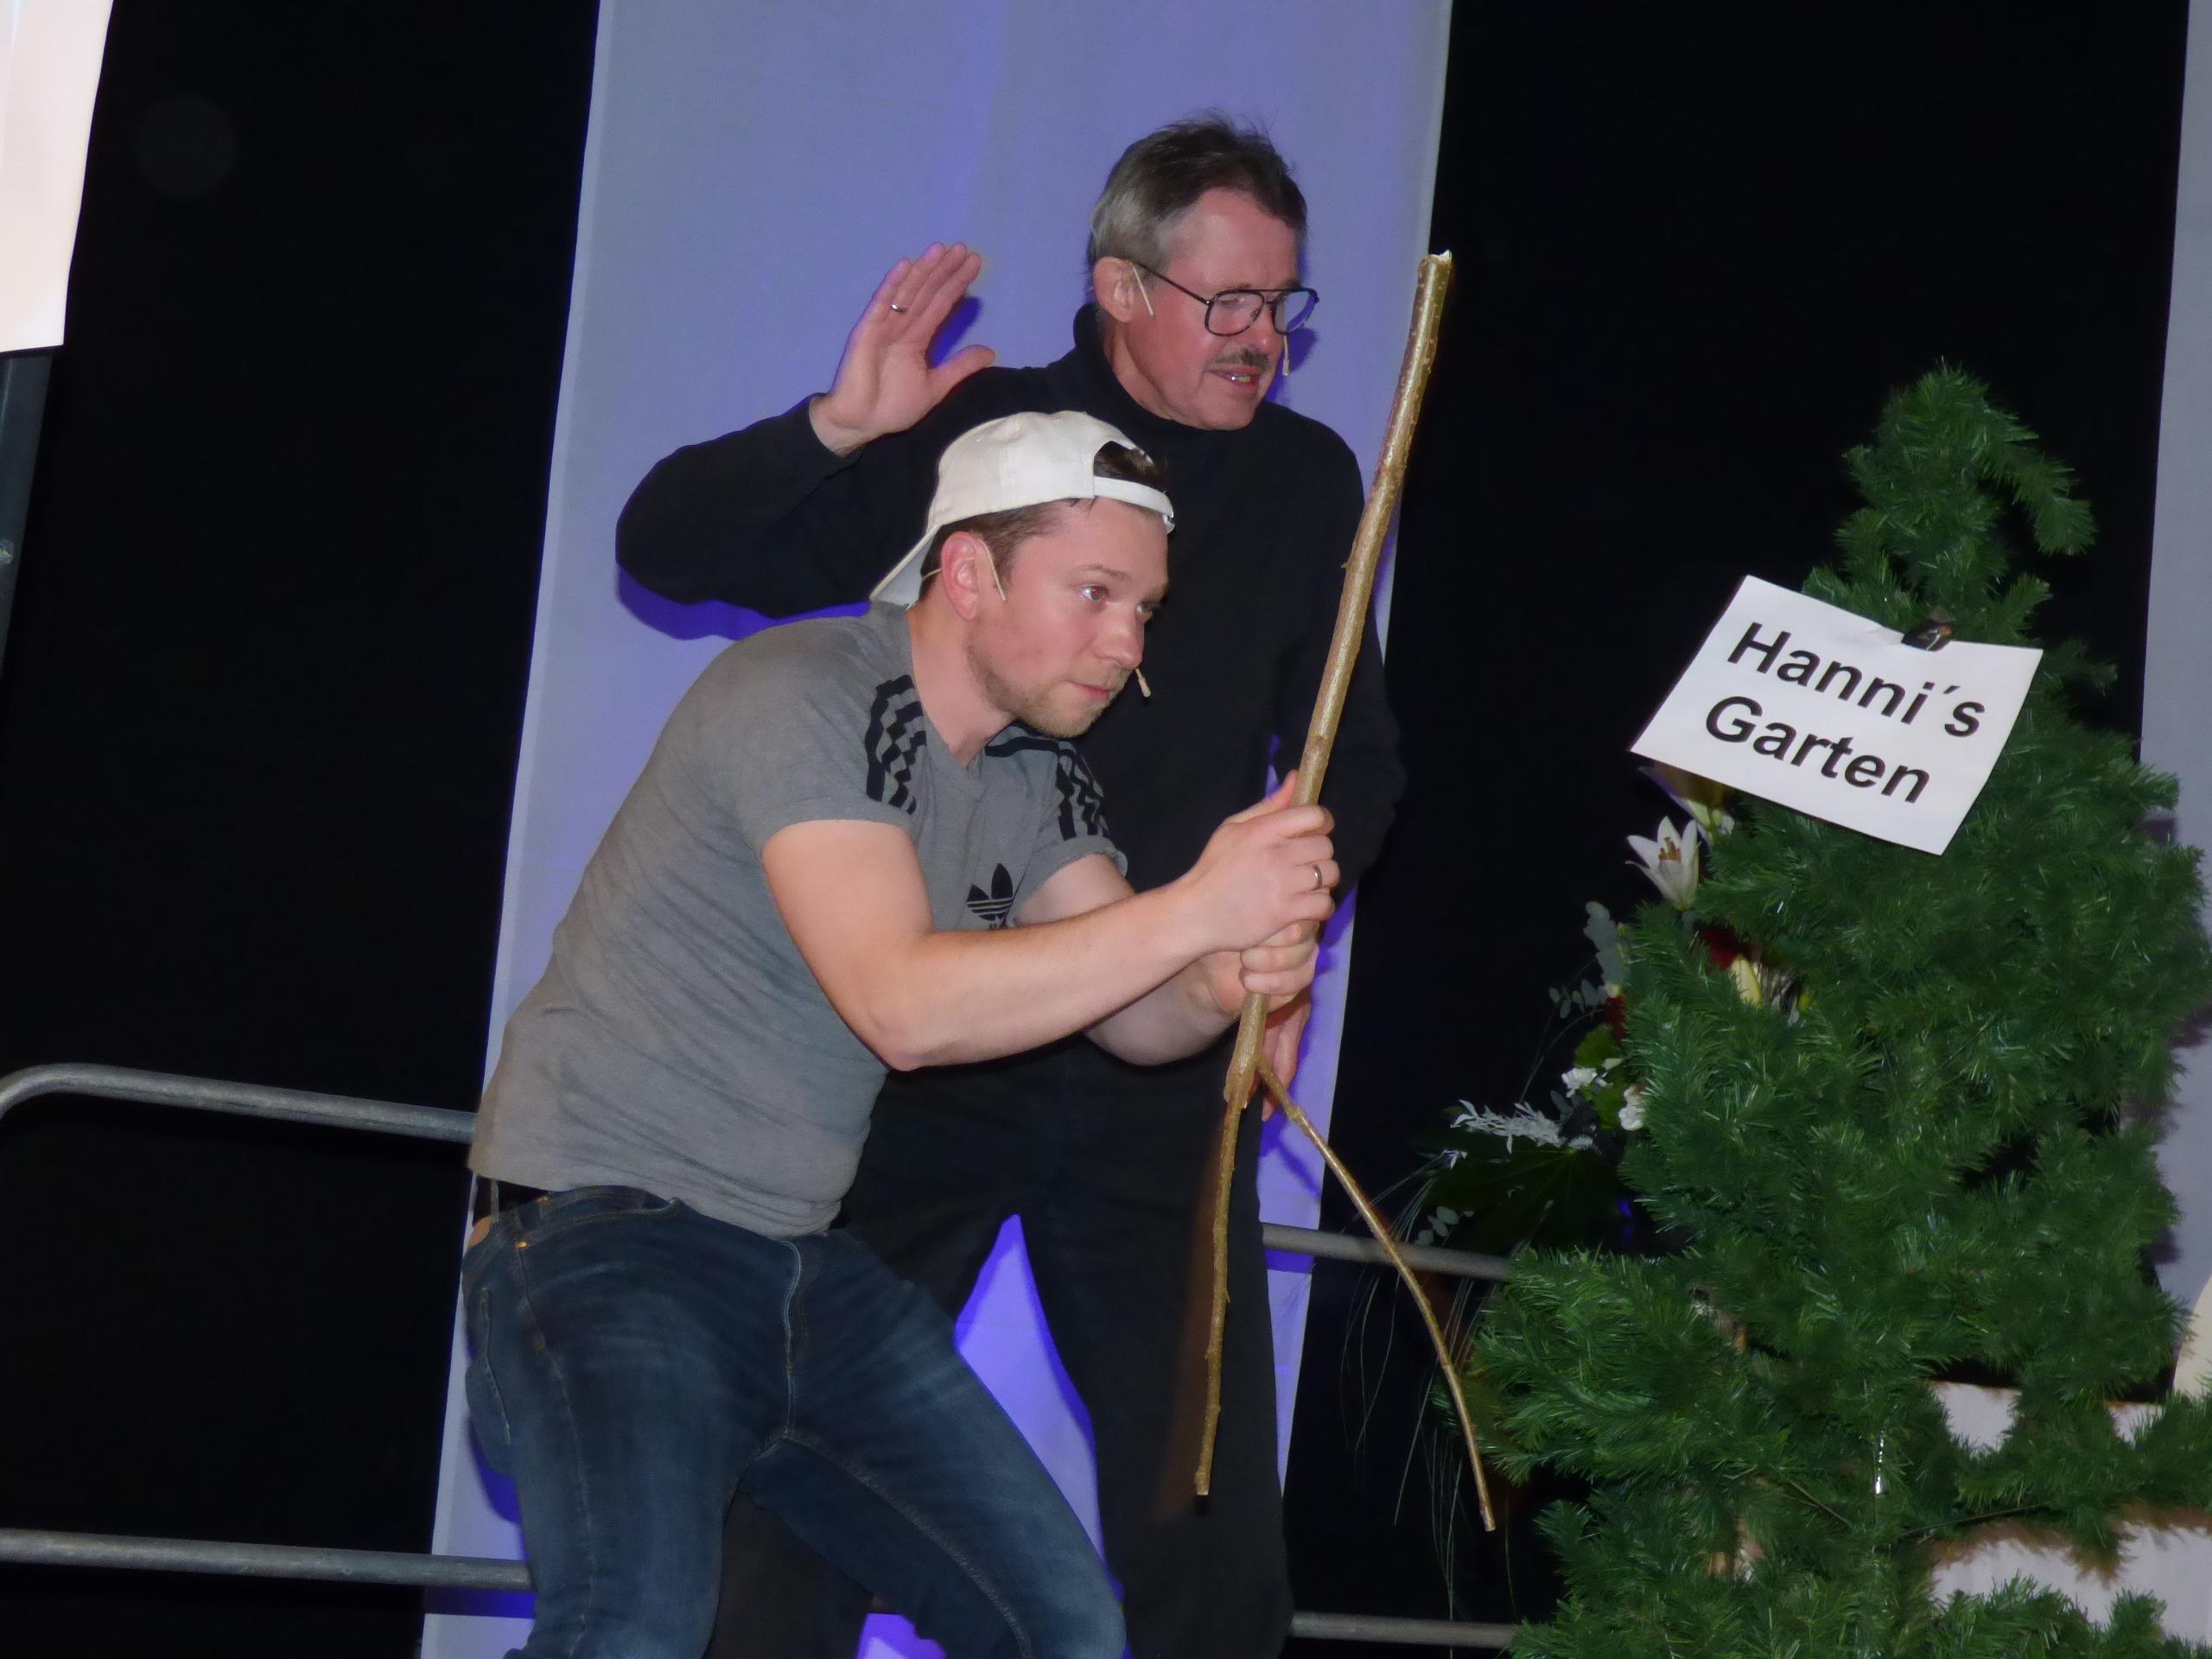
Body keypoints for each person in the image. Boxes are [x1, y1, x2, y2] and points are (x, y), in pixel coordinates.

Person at [619, 117, 1405, 1659]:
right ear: (1121, 287)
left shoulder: (1311, 483)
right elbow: (673, 545)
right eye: (1227, 305)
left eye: (1285, 307)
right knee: (801, 1484)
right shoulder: (991, 444)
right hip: (932, 1043)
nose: (1265, 341)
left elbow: (1353, 768)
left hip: (1157, 1062)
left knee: (1205, 1521)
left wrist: (1281, 945)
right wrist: (838, 429)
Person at [464, 409, 1339, 1659]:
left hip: (800, 1266)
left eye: (1145, 608)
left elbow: (1141, 1022)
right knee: (638, 1622)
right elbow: (905, 1005)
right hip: (605, 1234)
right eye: (1095, 594)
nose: (1127, 644)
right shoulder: (804, 690)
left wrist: (1224, 979)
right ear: (970, 570)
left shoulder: (1036, 774)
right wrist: (1198, 910)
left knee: (1067, 1630)